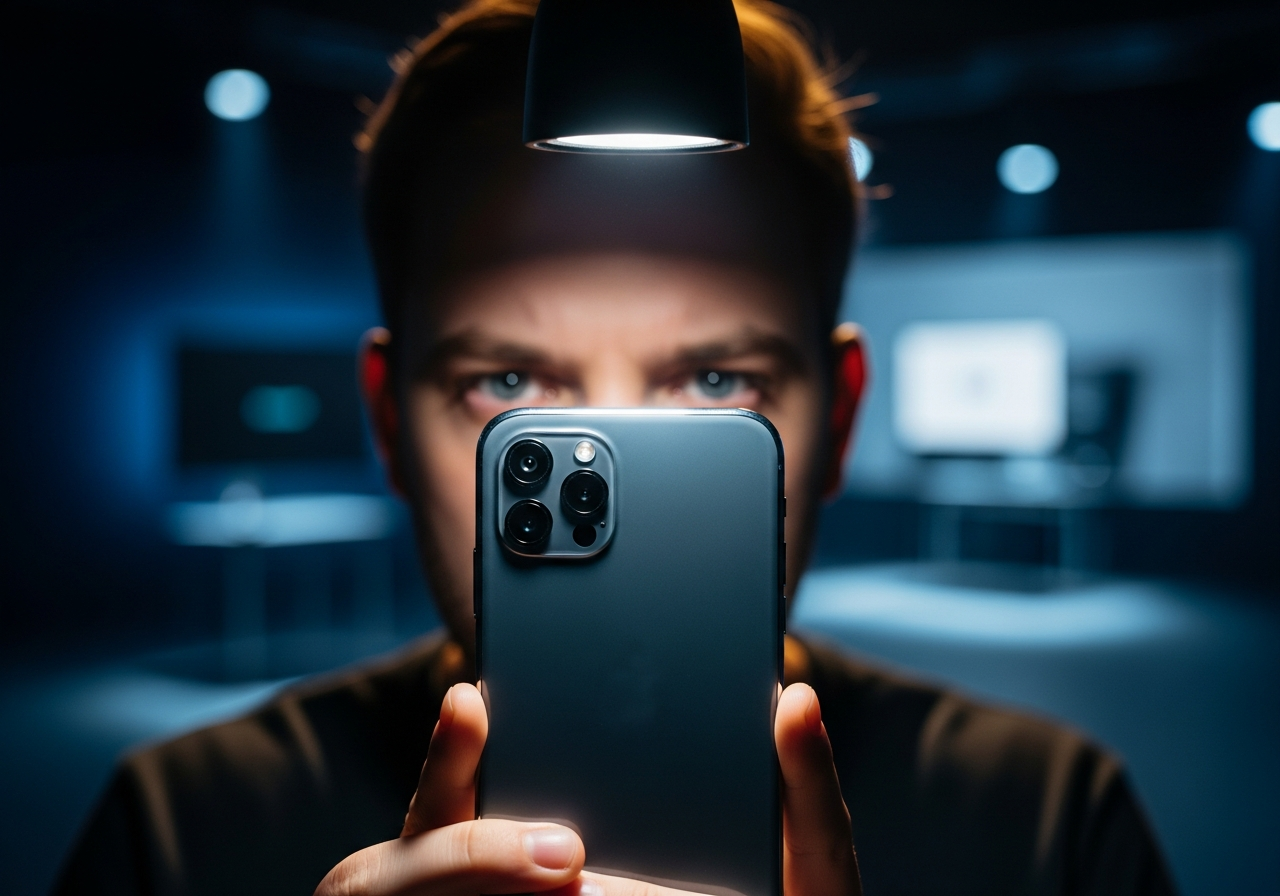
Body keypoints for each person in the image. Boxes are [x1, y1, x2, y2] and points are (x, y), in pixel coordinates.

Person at [55, 1, 1176, 894]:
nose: (619, 460)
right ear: (388, 420)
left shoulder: (1047, 821)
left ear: (836, 418)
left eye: (713, 381)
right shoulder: (178, 828)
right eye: (508, 384)